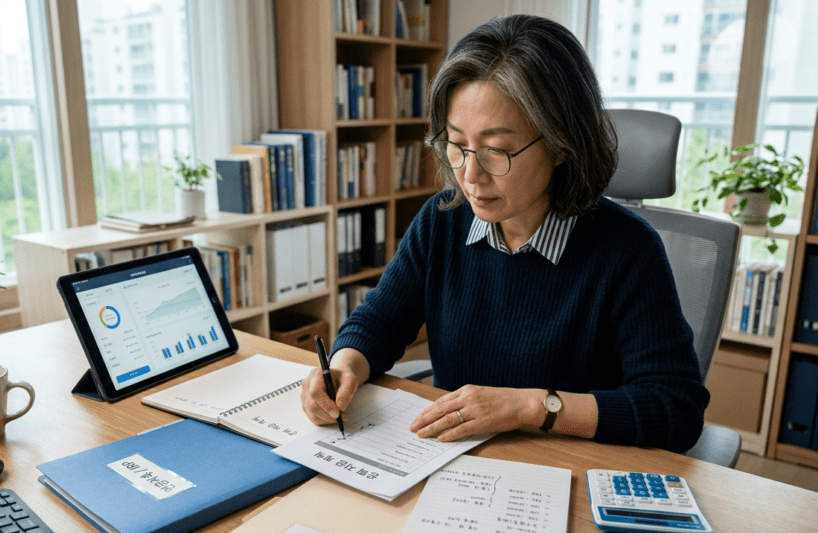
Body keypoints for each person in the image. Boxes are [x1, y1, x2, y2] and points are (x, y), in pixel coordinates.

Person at [300, 14, 709, 453]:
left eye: (497, 151)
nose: (470, 175)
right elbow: (380, 321)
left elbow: (675, 408)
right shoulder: (442, 221)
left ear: (560, 144)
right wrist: (344, 366)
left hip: (569, 470)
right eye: (456, 144)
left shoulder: (627, 250)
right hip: (453, 462)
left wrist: (534, 406)